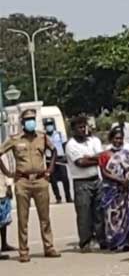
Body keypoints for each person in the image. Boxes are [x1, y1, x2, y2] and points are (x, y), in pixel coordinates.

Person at [0, 109, 59, 262]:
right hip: (23, 181)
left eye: (32, 119)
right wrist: (8, 173)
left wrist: (50, 169)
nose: (30, 122)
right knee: (23, 218)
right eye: (27, 119)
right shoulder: (15, 139)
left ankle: (49, 246)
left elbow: (54, 151)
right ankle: (24, 251)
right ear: (22, 122)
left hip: (40, 180)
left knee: (45, 217)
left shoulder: (42, 137)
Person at [65, 114, 106, 251]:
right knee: (84, 214)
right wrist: (95, 159)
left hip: (96, 179)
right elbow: (81, 162)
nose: (83, 130)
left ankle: (101, 238)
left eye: (84, 127)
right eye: (80, 127)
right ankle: (85, 242)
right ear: (74, 130)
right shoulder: (71, 145)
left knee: (99, 211)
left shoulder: (93, 141)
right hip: (81, 182)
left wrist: (93, 158)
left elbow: (102, 157)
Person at [98, 127, 129, 252]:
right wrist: (119, 180)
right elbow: (104, 173)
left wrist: (127, 180)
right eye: (116, 138)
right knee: (114, 217)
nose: (119, 141)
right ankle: (115, 242)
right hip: (112, 190)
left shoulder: (127, 154)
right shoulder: (105, 155)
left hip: (127, 189)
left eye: (121, 138)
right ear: (111, 139)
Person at [43, 117, 71, 203]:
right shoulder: (44, 137)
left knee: (65, 179)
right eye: (47, 125)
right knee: (53, 180)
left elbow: (65, 146)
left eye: (50, 124)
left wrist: (66, 156)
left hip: (60, 158)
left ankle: (68, 197)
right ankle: (58, 198)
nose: (49, 126)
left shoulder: (59, 134)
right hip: (50, 160)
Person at [0, 155, 13, 259]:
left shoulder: (3, 152)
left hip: (2, 188)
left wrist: (9, 186)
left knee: (4, 220)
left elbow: (6, 170)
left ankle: (4, 244)